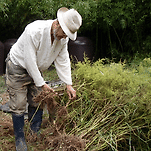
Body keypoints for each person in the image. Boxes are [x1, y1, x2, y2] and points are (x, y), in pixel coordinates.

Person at [5, 7, 82, 151]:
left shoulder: (62, 39)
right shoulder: (34, 30)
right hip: (18, 67)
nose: (65, 37)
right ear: (57, 24)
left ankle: (35, 132)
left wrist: (69, 84)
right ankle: (20, 139)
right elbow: (29, 60)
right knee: (19, 103)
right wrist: (41, 83)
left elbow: (63, 60)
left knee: (37, 99)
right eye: (65, 33)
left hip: (37, 70)